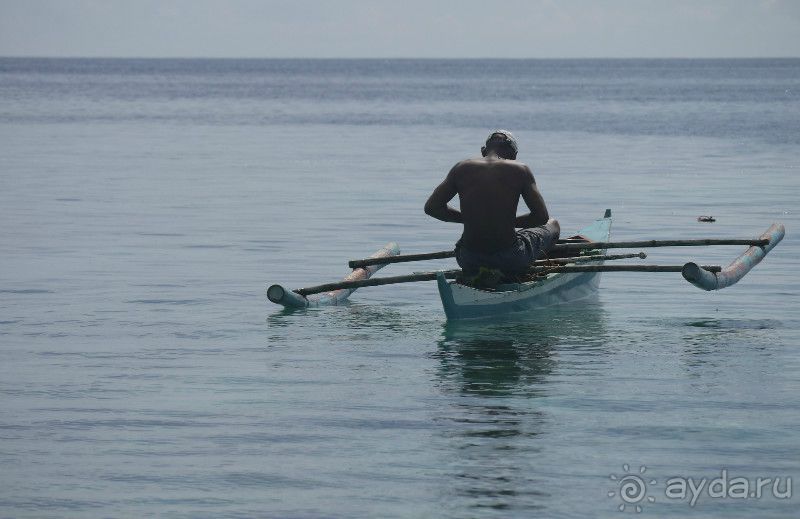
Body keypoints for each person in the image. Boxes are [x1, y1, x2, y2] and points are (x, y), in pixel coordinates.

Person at [424, 130, 560, 280]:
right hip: (510, 258)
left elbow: (432, 208)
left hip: (469, 258)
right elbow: (541, 217)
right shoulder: (520, 169)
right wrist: (504, 222)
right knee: (552, 224)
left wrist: (473, 220)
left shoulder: (461, 168)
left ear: (483, 151)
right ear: (513, 155)